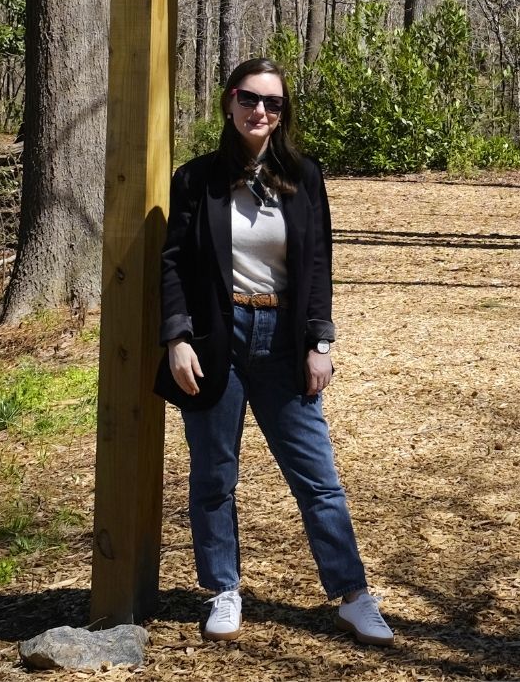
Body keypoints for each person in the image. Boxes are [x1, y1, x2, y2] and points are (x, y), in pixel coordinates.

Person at [155, 56, 393, 647]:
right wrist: (177, 338)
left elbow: (317, 267)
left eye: (273, 103)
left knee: (317, 478)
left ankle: (353, 596)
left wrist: (320, 342)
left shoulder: (304, 178)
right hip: (216, 340)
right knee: (214, 474)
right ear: (229, 103)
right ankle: (223, 591)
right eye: (249, 98)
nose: (260, 111)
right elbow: (173, 266)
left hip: (282, 339)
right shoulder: (195, 180)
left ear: (283, 114)